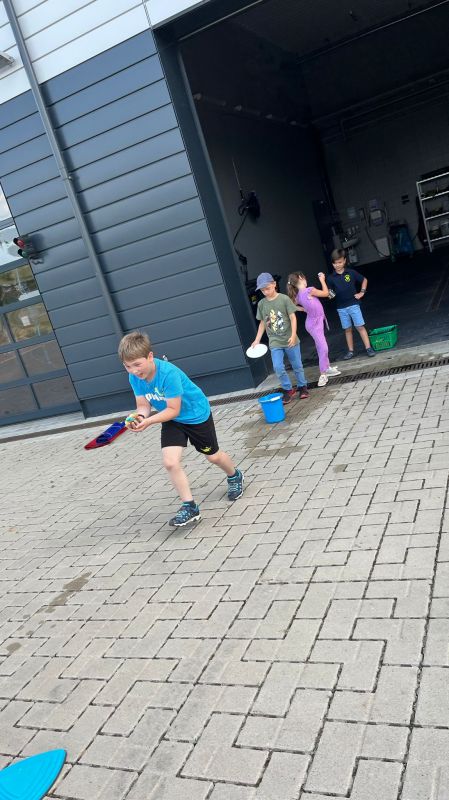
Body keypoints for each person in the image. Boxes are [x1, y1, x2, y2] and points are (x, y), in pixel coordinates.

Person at [118, 331, 244, 528]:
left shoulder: (168, 374)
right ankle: (190, 507)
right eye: (127, 366)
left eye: (137, 364)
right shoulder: (135, 378)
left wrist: (148, 422)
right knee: (170, 462)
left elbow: (173, 409)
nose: (133, 371)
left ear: (150, 356)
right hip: (171, 419)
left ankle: (234, 475)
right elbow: (143, 405)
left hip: (195, 415)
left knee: (213, 457)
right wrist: (139, 418)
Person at [250, 272, 308, 404]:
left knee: (297, 365)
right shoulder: (261, 304)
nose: (265, 292)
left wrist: (293, 335)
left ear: (274, 284)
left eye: (267, 288)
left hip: (290, 339)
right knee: (278, 367)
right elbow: (262, 323)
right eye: (263, 290)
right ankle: (288, 389)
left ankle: (302, 386)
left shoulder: (284, 299)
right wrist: (257, 340)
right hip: (275, 342)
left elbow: (293, 318)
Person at [286, 271, 341, 387]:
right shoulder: (309, 290)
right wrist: (322, 280)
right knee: (323, 348)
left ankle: (327, 368)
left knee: (321, 346)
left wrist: (302, 309)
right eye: (304, 277)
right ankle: (323, 374)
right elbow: (326, 293)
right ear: (301, 278)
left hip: (314, 323)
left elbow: (291, 305)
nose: (306, 279)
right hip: (314, 324)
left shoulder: (298, 295)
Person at [327, 249, 376, 360]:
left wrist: (362, 292)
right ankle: (350, 351)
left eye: (340, 262)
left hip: (354, 304)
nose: (337, 265)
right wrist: (329, 295)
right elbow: (330, 293)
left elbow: (364, 280)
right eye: (335, 263)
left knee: (360, 326)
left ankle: (368, 348)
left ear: (344, 261)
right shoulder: (330, 278)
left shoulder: (351, 273)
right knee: (347, 329)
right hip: (341, 308)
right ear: (332, 264)